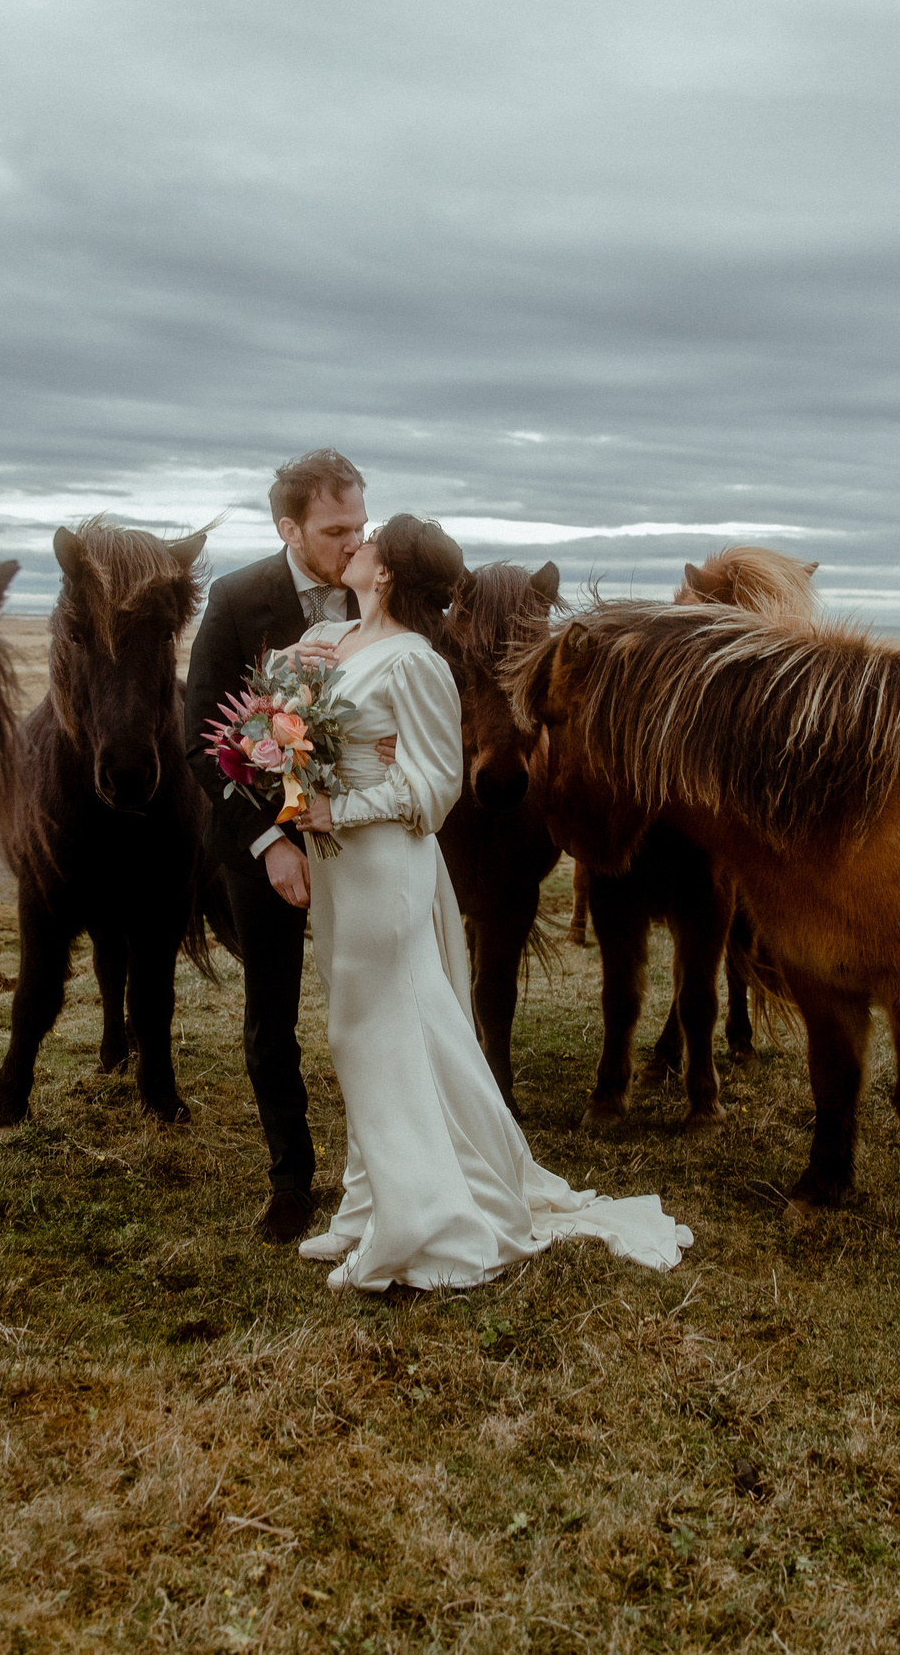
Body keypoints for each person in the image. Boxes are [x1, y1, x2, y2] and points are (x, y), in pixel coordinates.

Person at [292, 512, 694, 1292]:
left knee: (376, 1027)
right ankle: (368, 1204)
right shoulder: (338, 644)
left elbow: (438, 784)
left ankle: (421, 1213)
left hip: (385, 865)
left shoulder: (415, 660)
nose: (355, 544)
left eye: (367, 541)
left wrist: (340, 807)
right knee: (354, 1031)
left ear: (387, 574)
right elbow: (313, 731)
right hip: (343, 870)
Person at [181, 449, 370, 1242]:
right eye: (336, 530)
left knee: (374, 1007)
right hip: (266, 844)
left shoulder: (377, 590)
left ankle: (384, 1163)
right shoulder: (236, 598)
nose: (355, 542)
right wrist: (267, 841)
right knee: (273, 1017)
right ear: (288, 527)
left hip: (362, 838)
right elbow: (202, 740)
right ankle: (291, 1177)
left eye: (362, 524)